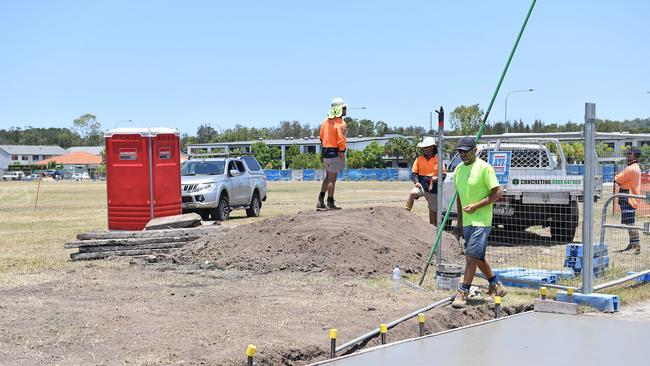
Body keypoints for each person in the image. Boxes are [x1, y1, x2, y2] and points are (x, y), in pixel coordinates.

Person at [451, 136, 507, 309]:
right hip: (467, 221)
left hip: (481, 220)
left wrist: (476, 206)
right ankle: (496, 285)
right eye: (460, 152)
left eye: (466, 152)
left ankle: (463, 291)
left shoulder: (485, 168)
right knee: (478, 257)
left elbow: (498, 192)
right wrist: (459, 221)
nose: (463, 155)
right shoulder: (458, 170)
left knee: (470, 256)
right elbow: (460, 196)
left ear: (475, 150)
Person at [405, 136, 446, 226]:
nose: (424, 149)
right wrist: (416, 182)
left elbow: (443, 175)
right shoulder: (419, 159)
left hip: (433, 190)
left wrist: (437, 177)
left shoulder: (439, 160)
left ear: (432, 147)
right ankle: (405, 214)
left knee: (432, 219)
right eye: (423, 147)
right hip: (422, 187)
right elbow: (414, 173)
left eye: (426, 147)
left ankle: (433, 230)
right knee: (412, 193)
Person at [317, 97, 347, 210]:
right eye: (344, 108)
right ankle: (330, 202)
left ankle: (320, 200)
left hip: (325, 151)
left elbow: (321, 137)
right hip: (335, 152)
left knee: (328, 177)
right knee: (332, 179)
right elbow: (341, 140)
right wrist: (342, 151)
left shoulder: (325, 122)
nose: (346, 110)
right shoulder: (341, 123)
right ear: (339, 109)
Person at [615, 146, 642, 255]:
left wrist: (619, 178)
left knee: (631, 223)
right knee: (629, 223)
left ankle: (636, 246)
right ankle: (632, 244)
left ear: (634, 155)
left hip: (628, 198)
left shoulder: (631, 168)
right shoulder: (633, 167)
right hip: (628, 197)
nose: (627, 155)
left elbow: (617, 178)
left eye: (629, 153)